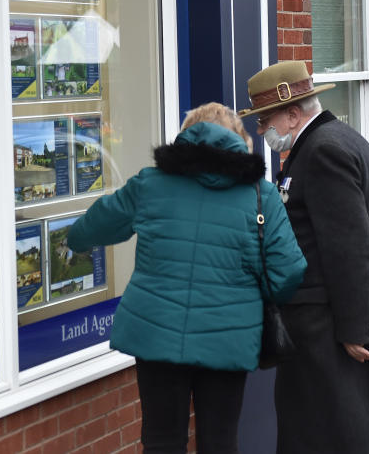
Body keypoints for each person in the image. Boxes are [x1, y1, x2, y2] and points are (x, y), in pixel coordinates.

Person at [67, 102, 306, 454]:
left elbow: (92, 227)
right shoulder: (261, 196)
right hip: (229, 336)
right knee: (220, 441)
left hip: (157, 334)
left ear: (186, 136)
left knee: (162, 441)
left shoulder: (150, 184)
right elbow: (289, 270)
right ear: (239, 140)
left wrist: (74, 241)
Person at [238, 61, 369, 454]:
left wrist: (353, 330)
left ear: (293, 113)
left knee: (339, 436)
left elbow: (347, 247)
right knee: (354, 433)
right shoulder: (337, 140)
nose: (262, 131)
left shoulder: (323, 150)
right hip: (335, 321)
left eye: (266, 120)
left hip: (329, 328)